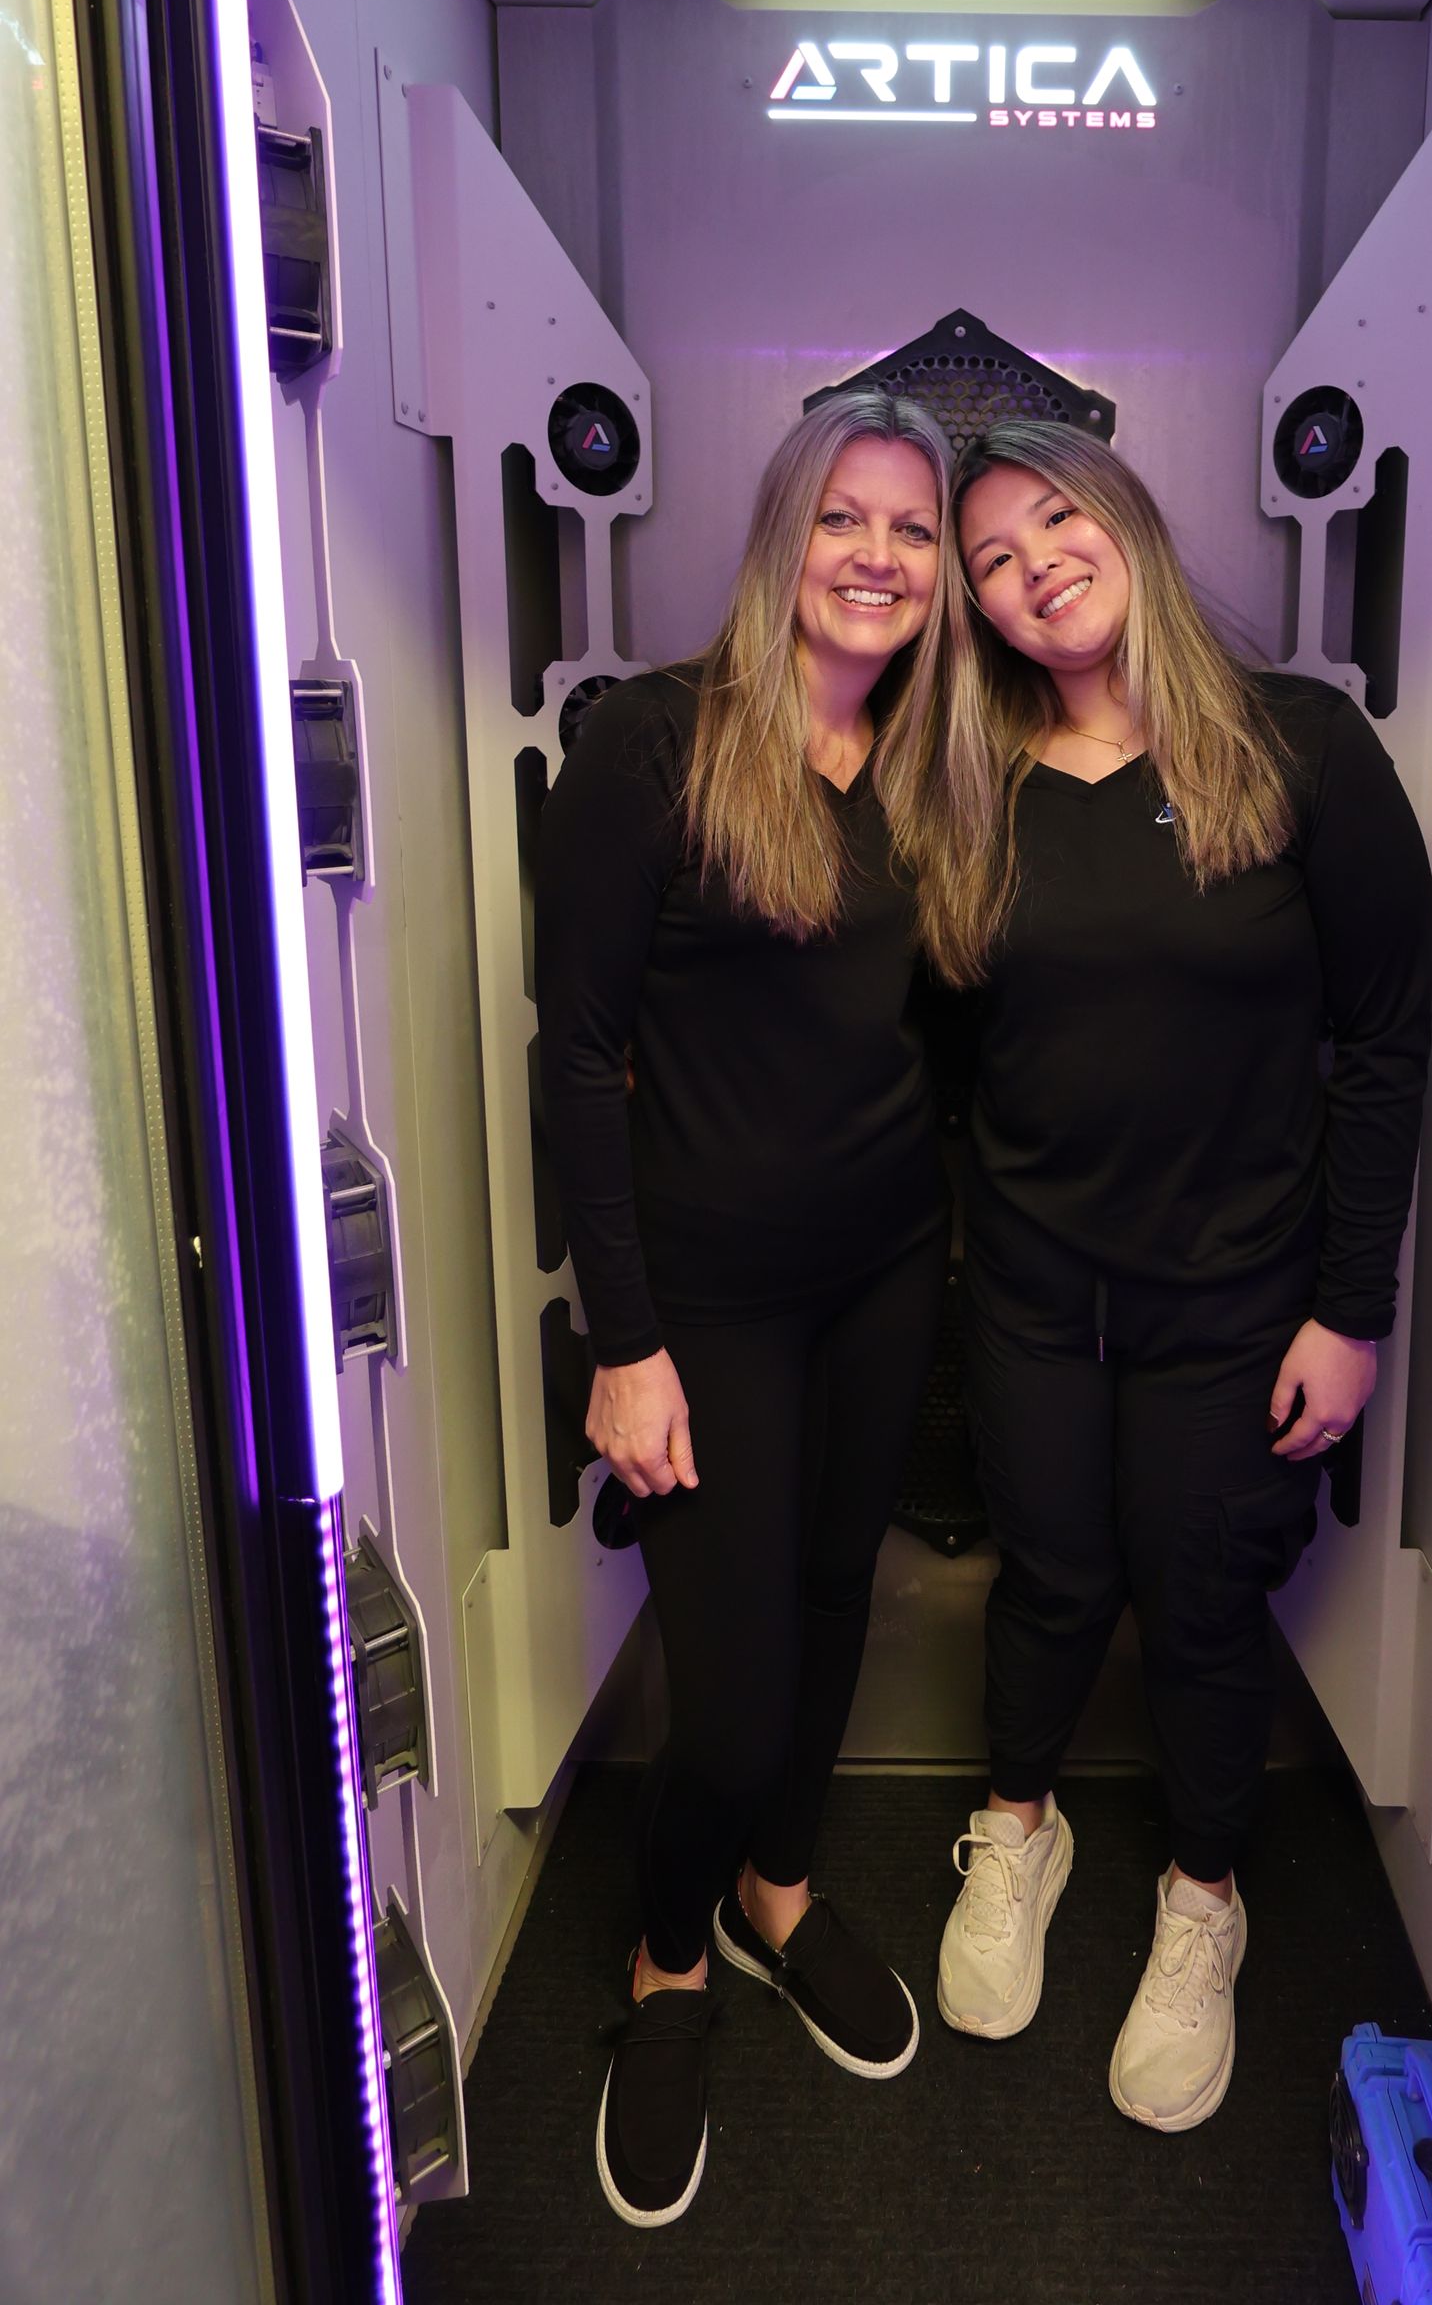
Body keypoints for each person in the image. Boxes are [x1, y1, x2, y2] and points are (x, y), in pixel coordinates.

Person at [915, 417, 1432, 2133]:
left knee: (1204, 1607)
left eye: (1057, 518)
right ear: (975, 607)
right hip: (1038, 1292)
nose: (1032, 563)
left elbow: (1384, 1040)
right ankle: (1021, 1831)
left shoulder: (1298, 748)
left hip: (1240, 1300)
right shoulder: (972, 790)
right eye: (990, 556)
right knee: (1052, 1578)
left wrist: (1353, 1309)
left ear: (1127, 518)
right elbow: (932, 1054)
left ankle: (1204, 1899)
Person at [535, 391, 957, 2229]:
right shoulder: (656, 743)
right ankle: (665, 1964)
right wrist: (624, 1341)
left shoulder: (938, 765)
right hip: (701, 1304)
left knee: (836, 1598)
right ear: (786, 530)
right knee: (722, 1706)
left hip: (882, 1273)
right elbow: (577, 1055)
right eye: (847, 518)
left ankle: (778, 1892)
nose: (878, 556)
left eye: (914, 531)